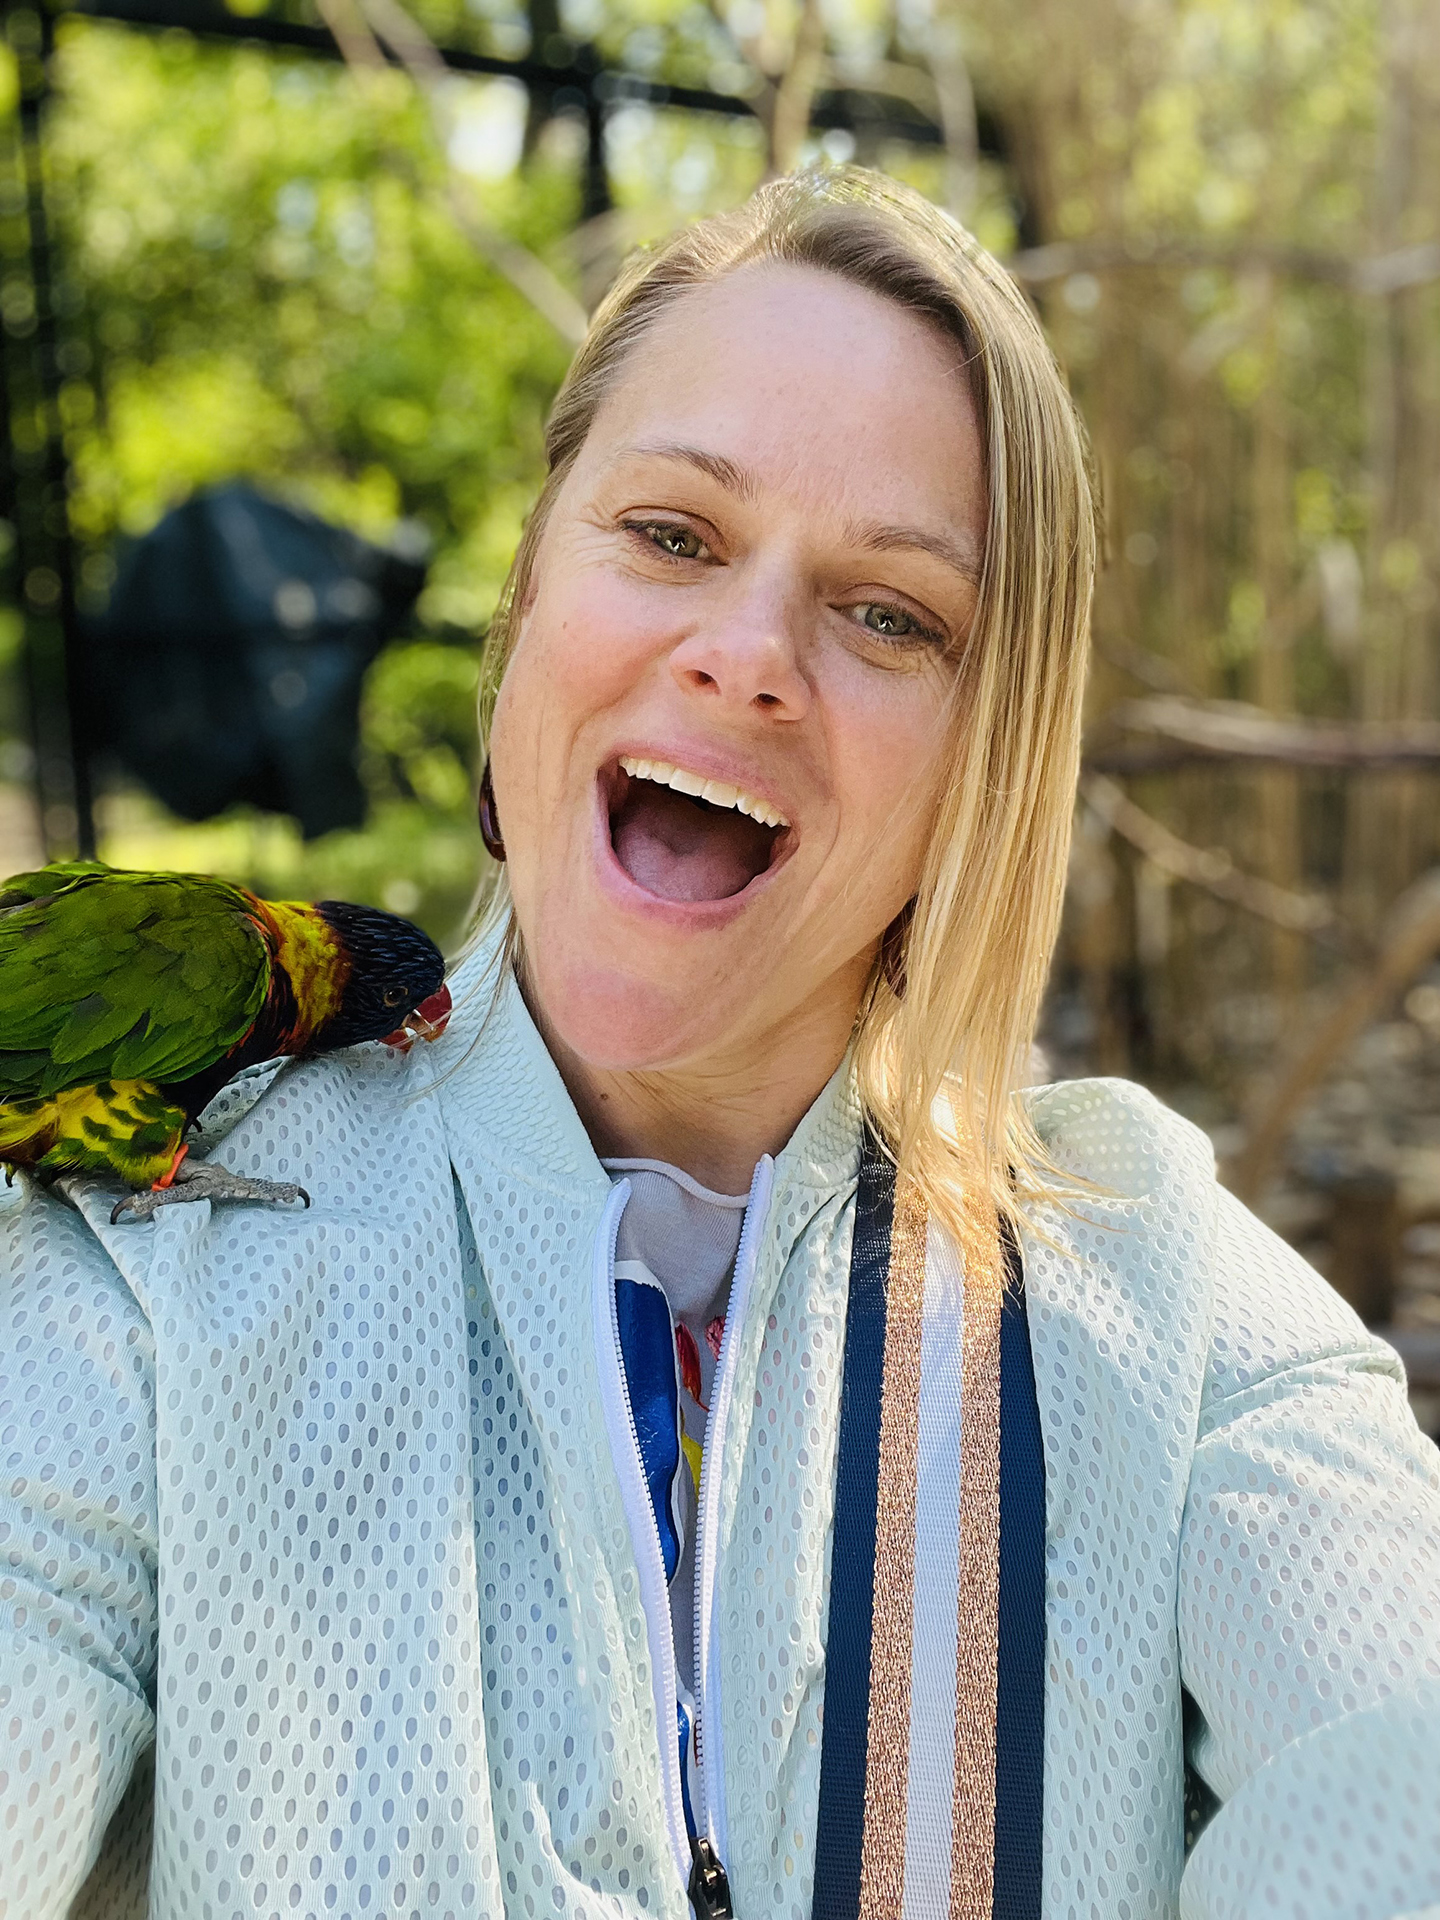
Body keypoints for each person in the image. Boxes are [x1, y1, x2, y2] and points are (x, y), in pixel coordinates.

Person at [2, 167, 1437, 1920]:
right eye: (673, 535)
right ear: (527, 598)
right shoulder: (133, 1276)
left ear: (983, 762)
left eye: (889, 615)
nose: (748, 653)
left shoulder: (1179, 1311)